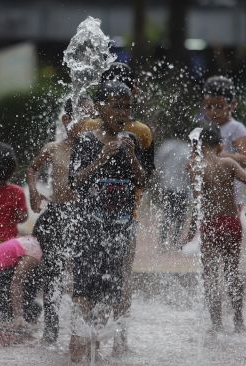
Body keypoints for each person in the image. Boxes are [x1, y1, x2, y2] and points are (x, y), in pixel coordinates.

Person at [68, 81, 146, 362]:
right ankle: (77, 346)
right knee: (84, 289)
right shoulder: (87, 141)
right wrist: (101, 159)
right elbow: (74, 182)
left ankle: (98, 347)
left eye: (126, 107)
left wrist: (132, 156)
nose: (122, 112)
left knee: (109, 290)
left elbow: (142, 182)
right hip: (90, 229)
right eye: (116, 106)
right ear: (100, 107)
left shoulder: (131, 142)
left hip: (119, 229)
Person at [80, 62, 156, 352]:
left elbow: (145, 176)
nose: (121, 111)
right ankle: (103, 340)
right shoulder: (90, 130)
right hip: (97, 217)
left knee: (117, 278)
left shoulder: (140, 134)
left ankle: (113, 339)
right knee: (106, 278)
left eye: (126, 102)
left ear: (132, 94)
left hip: (125, 216)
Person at [26, 97, 92, 343]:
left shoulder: (95, 149)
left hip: (83, 217)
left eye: (90, 118)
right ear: (66, 120)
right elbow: (32, 168)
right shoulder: (54, 148)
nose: (86, 124)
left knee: (82, 274)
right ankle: (51, 328)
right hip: (56, 215)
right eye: (81, 118)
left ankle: (81, 329)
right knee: (53, 272)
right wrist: (33, 190)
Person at [186, 128, 246, 333]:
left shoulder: (196, 167)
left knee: (210, 276)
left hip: (209, 224)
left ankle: (216, 324)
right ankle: (239, 322)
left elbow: (197, 202)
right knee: (232, 273)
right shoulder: (228, 163)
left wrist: (191, 230)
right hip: (230, 222)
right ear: (220, 146)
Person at [200, 75, 246, 207]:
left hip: (231, 200)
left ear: (232, 105)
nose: (213, 112)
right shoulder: (204, 128)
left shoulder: (236, 129)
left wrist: (219, 155)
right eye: (208, 107)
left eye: (218, 106)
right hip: (208, 196)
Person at [0, 235, 43, 327]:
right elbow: (17, 282)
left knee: (34, 307)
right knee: (32, 280)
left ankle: (12, 321)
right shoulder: (36, 250)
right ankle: (16, 322)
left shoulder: (30, 241)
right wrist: (18, 317)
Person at [155, 129, 191, 249]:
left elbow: (158, 163)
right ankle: (175, 241)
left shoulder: (167, 146)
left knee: (167, 214)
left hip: (168, 185)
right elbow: (189, 170)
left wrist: (161, 177)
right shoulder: (187, 149)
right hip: (182, 188)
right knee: (180, 216)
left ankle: (162, 241)